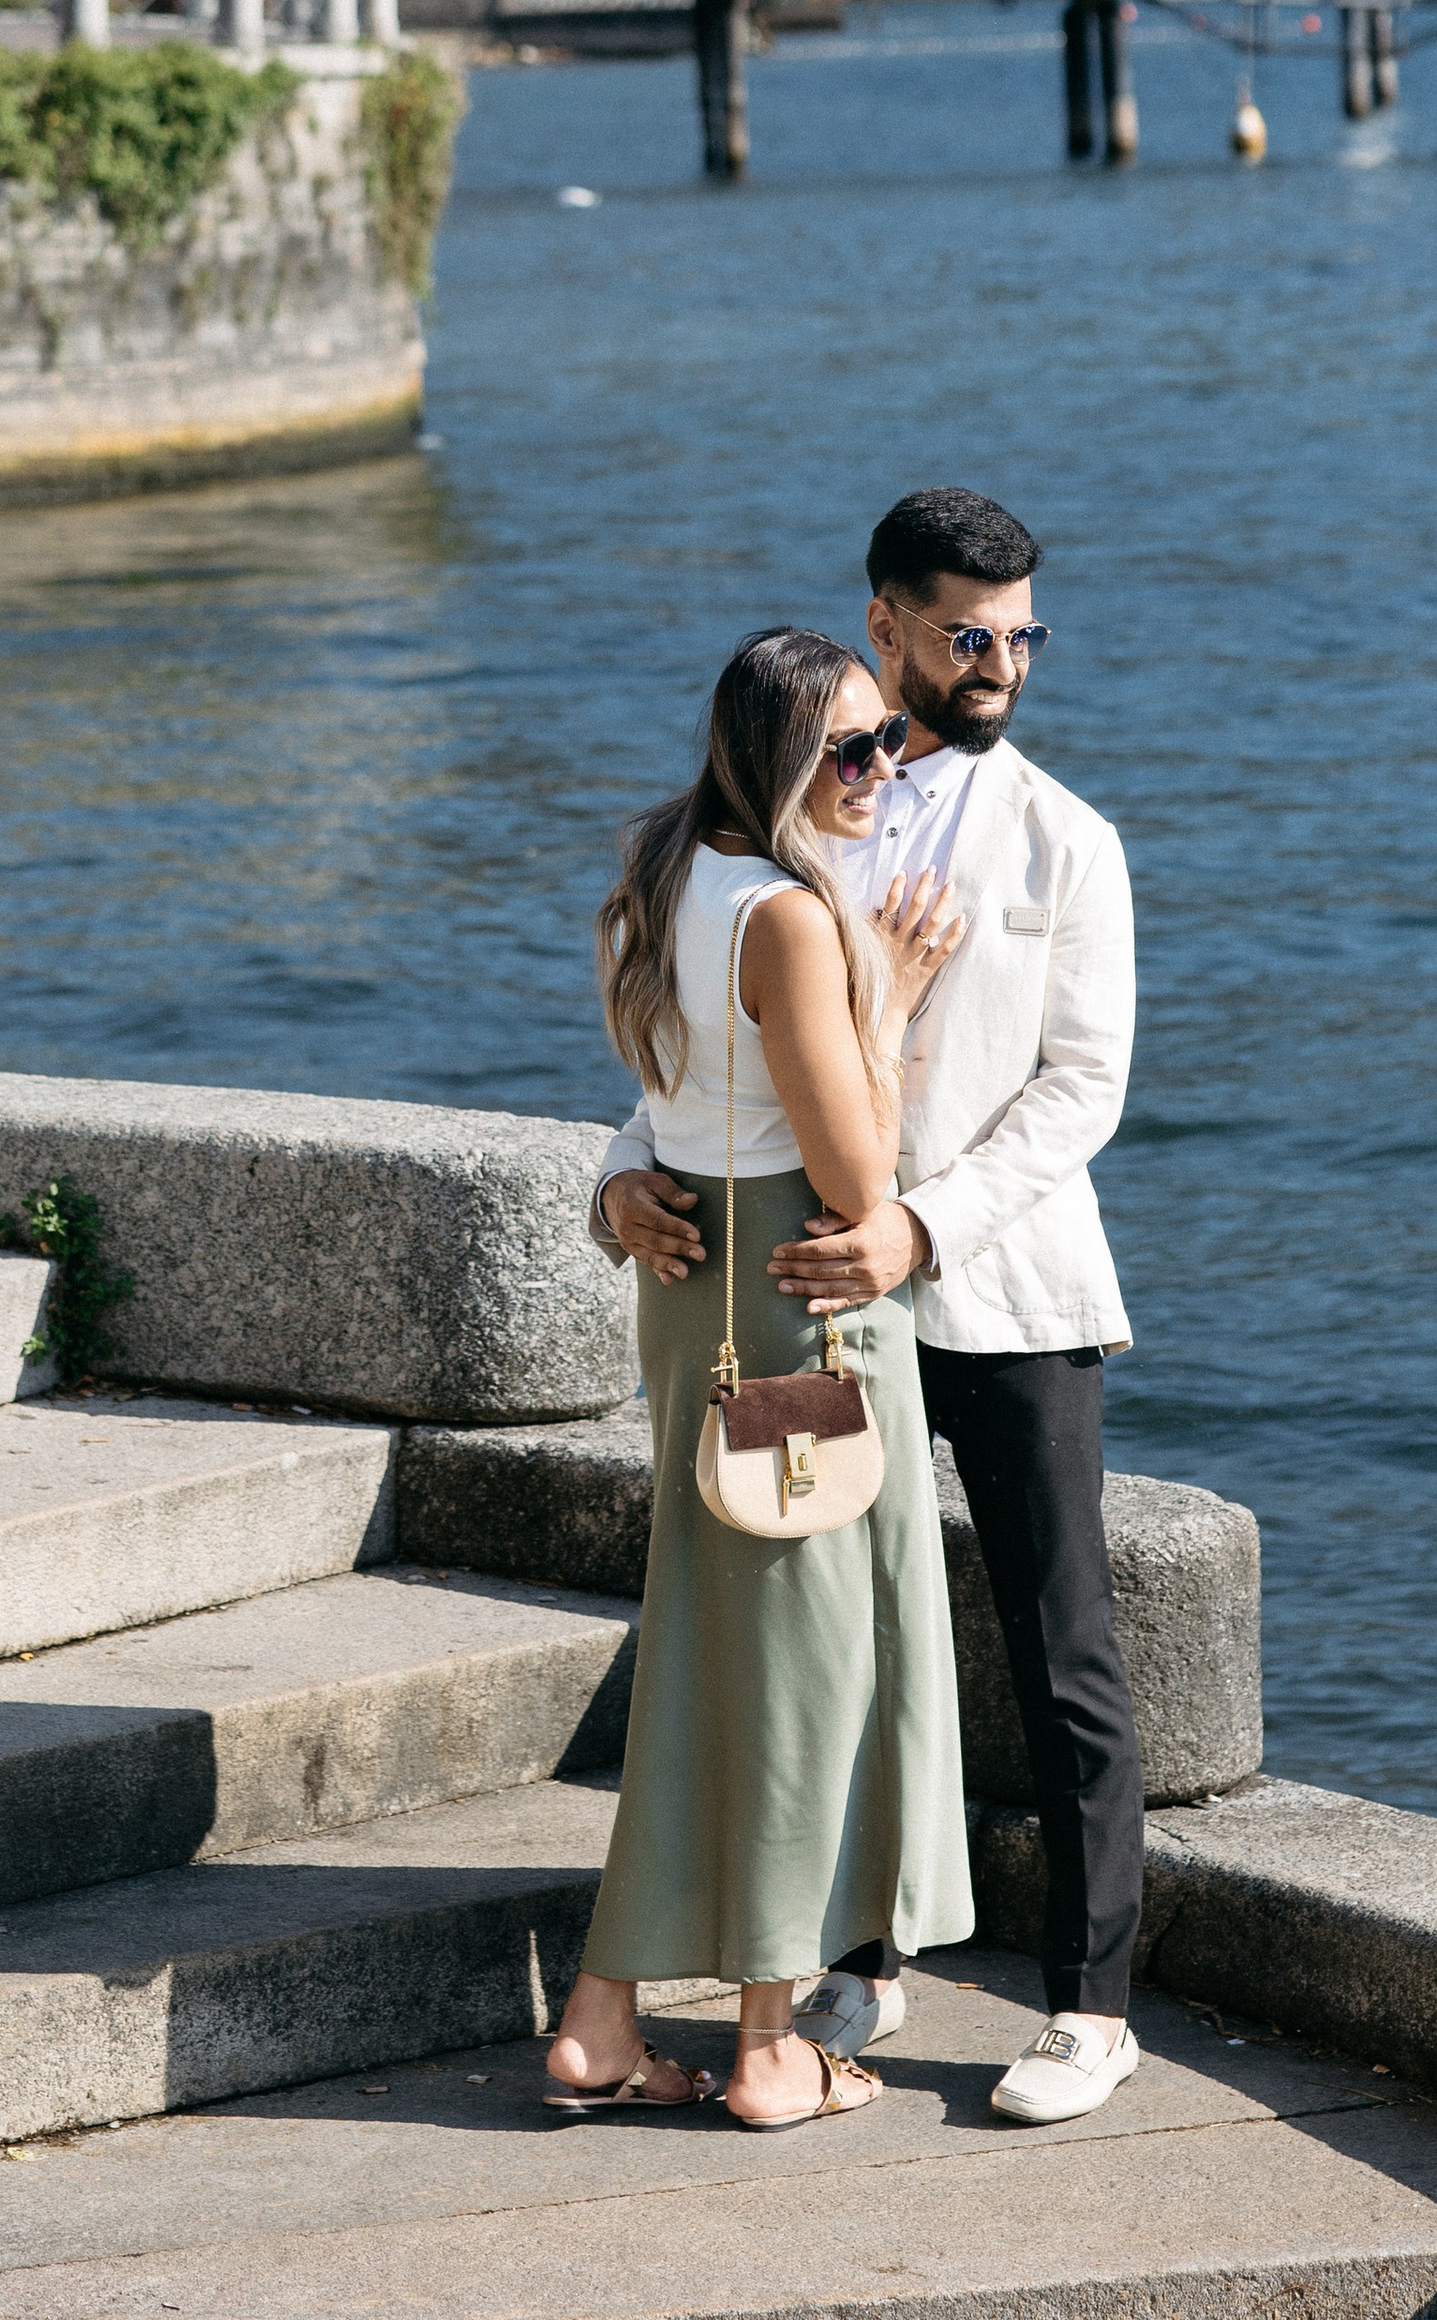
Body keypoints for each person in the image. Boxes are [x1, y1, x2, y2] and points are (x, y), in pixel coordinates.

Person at [595, 489, 1143, 2127]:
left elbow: (1081, 1093)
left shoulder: (1070, 839)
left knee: (1061, 1650)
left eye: (1023, 633)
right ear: (888, 626)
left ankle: (1090, 2009)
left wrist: (916, 1225)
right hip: (828, 1308)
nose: (1003, 663)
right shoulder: (802, 805)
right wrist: (616, 1176)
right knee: (855, 1637)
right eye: (969, 633)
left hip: (1005, 1288)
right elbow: (724, 1044)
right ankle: (865, 1956)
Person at [544, 624, 975, 2132]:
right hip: (801, 1308)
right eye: (852, 748)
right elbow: (858, 1178)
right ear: (779, 761)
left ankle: (603, 2017)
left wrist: (621, 1188)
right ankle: (775, 2048)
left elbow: (666, 1099)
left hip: (697, 1289)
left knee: (714, 1658)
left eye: (888, 745)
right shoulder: (789, 921)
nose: (883, 771)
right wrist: (895, 996)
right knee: (804, 1673)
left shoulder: (662, 876)